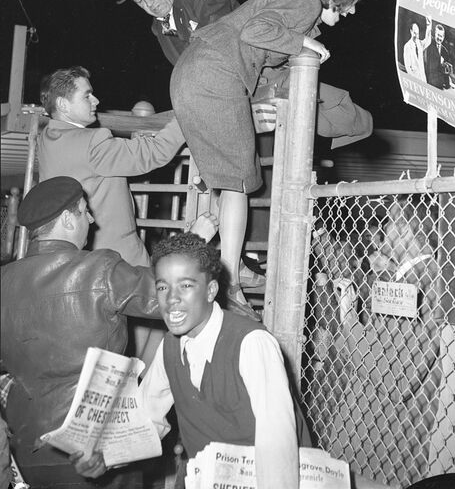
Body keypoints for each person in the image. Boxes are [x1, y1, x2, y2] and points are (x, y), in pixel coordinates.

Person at [157, 0, 382, 321]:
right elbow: (255, 31)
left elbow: (257, 44)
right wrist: (307, 44)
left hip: (190, 76)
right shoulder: (306, 1)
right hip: (215, 76)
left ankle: (229, 269)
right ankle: (228, 281)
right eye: (353, 1)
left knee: (228, 182)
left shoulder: (293, 3)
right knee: (241, 183)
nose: (354, 11)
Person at [0, 176, 218, 488]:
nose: (91, 218)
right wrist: (193, 241)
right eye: (83, 210)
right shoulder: (98, 269)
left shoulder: (4, 282)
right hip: (99, 447)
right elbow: (171, 300)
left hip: (31, 450)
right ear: (66, 219)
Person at [74, 233, 300, 489]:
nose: (171, 299)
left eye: (186, 285)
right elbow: (147, 417)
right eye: (162, 287)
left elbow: (278, 447)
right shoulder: (170, 345)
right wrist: (105, 456)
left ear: (211, 290)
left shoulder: (252, 343)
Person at [114, 0, 375, 150]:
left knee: (351, 122)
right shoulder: (157, 29)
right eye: (140, 1)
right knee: (352, 121)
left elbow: (224, 37)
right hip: (232, 91)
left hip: (252, 80)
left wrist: (300, 43)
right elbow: (194, 63)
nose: (148, 3)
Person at [37, 65, 187, 365]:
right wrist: (186, 115)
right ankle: (141, 387)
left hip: (82, 254)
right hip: (120, 251)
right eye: (87, 95)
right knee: (166, 314)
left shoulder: (47, 138)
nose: (96, 101)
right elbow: (153, 153)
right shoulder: (92, 142)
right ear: (64, 105)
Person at [424, 22, 455, 89]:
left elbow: (446, 72)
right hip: (429, 83)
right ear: (434, 34)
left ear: (443, 37)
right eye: (438, 35)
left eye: (441, 36)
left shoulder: (445, 51)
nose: (439, 38)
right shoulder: (429, 45)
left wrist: (447, 85)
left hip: (440, 86)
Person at [402, 16, 431, 82]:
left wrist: (428, 25)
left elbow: (428, 41)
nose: (416, 36)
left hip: (423, 79)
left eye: (417, 33)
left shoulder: (419, 43)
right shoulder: (407, 46)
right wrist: (413, 80)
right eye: (414, 33)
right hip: (414, 79)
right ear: (411, 31)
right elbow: (408, 67)